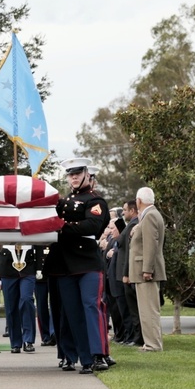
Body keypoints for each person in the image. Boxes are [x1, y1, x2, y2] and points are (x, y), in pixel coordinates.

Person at [44, 157, 110, 374]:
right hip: (64, 265)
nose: (73, 177)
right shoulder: (63, 202)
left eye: (77, 173)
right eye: (70, 174)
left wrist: (62, 226)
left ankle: (98, 354)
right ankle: (76, 356)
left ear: (86, 175)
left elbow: (92, 225)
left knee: (90, 307)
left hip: (87, 263)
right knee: (70, 312)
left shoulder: (95, 201)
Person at [130, 187, 166, 352]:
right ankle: (151, 343)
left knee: (149, 310)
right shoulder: (148, 215)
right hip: (144, 269)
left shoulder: (150, 216)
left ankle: (153, 345)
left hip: (145, 270)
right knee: (147, 309)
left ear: (138, 201)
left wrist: (147, 269)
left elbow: (151, 245)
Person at [0, 244, 37, 353]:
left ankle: (28, 340)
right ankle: (15, 342)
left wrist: (39, 268)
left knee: (26, 299)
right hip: (7, 266)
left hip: (28, 264)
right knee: (11, 306)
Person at [118, 200, 143, 346]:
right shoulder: (131, 226)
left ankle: (138, 337)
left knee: (135, 310)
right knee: (132, 309)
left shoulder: (134, 225)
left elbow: (124, 246)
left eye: (125, 210)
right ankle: (136, 337)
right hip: (128, 271)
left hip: (132, 271)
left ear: (132, 210)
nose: (123, 213)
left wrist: (126, 273)